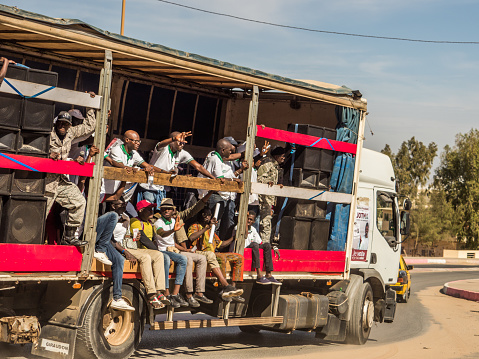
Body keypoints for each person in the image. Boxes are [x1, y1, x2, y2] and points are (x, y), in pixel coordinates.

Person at [46, 102, 96, 246]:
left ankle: (68, 238)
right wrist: (48, 154)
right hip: (45, 181)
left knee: (79, 201)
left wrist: (90, 107)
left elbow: (89, 127)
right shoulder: (48, 133)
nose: (63, 126)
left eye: (66, 124)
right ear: (56, 123)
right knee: (40, 213)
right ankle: (28, 243)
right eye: (61, 123)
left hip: (60, 180)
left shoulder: (71, 133)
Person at [110, 198, 170, 309]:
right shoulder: (111, 218)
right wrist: (126, 252)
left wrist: (135, 238)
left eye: (125, 204)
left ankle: (159, 291)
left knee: (159, 255)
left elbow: (130, 236)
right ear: (113, 206)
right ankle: (151, 294)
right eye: (121, 204)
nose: (124, 207)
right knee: (145, 257)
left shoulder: (126, 218)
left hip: (129, 246)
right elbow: (111, 240)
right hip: (118, 248)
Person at [129, 199, 188, 309]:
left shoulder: (149, 223)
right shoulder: (135, 221)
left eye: (152, 209)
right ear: (141, 210)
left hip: (148, 250)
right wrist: (157, 250)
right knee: (150, 257)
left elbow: (156, 237)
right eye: (148, 209)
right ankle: (151, 293)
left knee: (161, 256)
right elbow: (142, 237)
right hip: (136, 249)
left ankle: (159, 291)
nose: (151, 211)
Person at [156, 198, 213, 307]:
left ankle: (194, 293)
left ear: (173, 210)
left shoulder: (174, 221)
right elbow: (162, 233)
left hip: (173, 250)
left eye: (169, 209)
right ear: (161, 211)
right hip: (163, 251)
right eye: (164, 209)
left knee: (201, 258)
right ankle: (173, 293)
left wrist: (185, 249)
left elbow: (172, 242)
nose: (166, 211)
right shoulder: (158, 222)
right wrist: (173, 230)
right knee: (178, 260)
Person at [138, 131, 215, 210]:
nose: (182, 145)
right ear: (172, 142)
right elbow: (161, 143)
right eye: (179, 142)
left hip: (161, 188)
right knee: (147, 210)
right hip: (149, 185)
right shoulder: (164, 148)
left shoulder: (182, 153)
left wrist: (213, 178)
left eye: (183, 143)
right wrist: (174, 138)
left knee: (158, 213)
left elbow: (198, 167)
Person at [188, 207, 245, 302]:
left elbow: (221, 244)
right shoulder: (195, 226)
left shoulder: (211, 230)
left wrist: (234, 238)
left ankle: (232, 289)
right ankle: (225, 285)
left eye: (209, 215)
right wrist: (206, 227)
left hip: (212, 253)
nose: (207, 216)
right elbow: (191, 238)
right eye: (205, 214)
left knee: (238, 257)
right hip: (198, 252)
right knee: (218, 257)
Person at [198, 138, 248, 240]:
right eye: (229, 150)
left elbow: (227, 177)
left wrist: (238, 172)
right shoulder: (215, 159)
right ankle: (210, 245)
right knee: (214, 222)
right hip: (213, 195)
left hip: (221, 196)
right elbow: (221, 179)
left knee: (219, 223)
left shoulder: (220, 160)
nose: (231, 152)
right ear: (222, 150)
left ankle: (215, 245)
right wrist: (234, 181)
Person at [95, 211, 135, 311]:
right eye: (121, 204)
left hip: (107, 241)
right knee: (113, 215)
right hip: (93, 237)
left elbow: (111, 239)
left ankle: (117, 298)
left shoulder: (124, 217)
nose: (123, 207)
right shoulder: (109, 213)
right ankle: (99, 250)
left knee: (119, 259)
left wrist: (124, 251)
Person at [104, 130, 155, 203]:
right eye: (136, 141)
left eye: (139, 142)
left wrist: (149, 168)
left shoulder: (134, 153)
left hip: (117, 191)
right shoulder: (116, 150)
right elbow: (119, 165)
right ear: (127, 140)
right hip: (105, 188)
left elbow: (146, 165)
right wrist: (136, 169)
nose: (138, 144)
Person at [257, 146, 286, 244]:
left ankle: (265, 244)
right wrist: (268, 182)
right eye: (282, 156)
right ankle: (264, 245)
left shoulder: (275, 166)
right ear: (277, 156)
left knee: (267, 222)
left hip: (269, 200)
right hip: (263, 199)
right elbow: (258, 178)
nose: (284, 158)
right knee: (265, 223)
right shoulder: (268, 163)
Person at [242, 210, 280, 284]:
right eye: (248, 219)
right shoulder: (238, 227)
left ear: (254, 221)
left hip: (253, 248)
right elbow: (245, 235)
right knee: (254, 244)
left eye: (251, 219)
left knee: (267, 245)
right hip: (244, 250)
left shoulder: (253, 229)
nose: (249, 221)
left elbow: (260, 243)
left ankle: (268, 274)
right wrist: (245, 222)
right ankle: (259, 274)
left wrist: (274, 247)